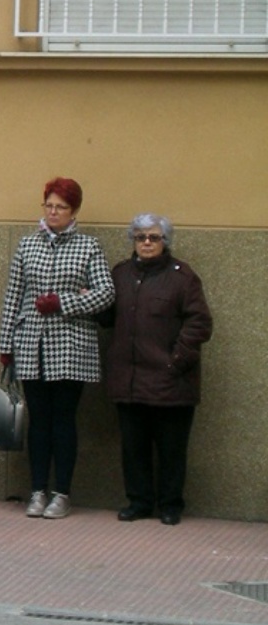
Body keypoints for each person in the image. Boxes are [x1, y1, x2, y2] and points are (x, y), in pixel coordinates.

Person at [0, 177, 114, 520]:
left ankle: (62, 492)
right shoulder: (27, 245)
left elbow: (106, 293)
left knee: (64, 420)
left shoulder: (89, 247)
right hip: (32, 342)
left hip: (71, 345)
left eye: (60, 207)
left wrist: (63, 302)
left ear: (73, 211)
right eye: (48, 205)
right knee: (39, 421)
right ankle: (37, 490)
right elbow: (13, 297)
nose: (53, 212)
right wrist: (6, 344)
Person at [100, 214, 213, 526]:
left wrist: (176, 361)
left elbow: (199, 322)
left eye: (153, 237)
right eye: (140, 237)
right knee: (133, 447)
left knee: (171, 450)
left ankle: (170, 505)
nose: (146, 243)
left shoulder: (183, 277)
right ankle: (138, 502)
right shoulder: (121, 274)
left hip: (171, 382)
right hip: (130, 380)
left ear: (166, 241)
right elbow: (109, 317)